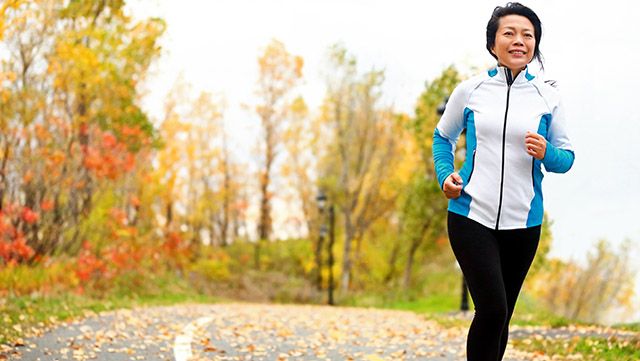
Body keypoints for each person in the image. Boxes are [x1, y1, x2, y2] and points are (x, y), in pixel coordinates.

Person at [432, 2, 574, 360]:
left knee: (502, 315)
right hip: (470, 214)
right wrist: (444, 176)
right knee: (492, 309)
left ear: (535, 45)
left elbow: (566, 158)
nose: (519, 41)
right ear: (493, 43)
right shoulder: (470, 90)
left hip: (524, 221)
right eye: (509, 33)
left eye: (527, 35)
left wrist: (546, 153)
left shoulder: (548, 96)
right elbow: (442, 137)